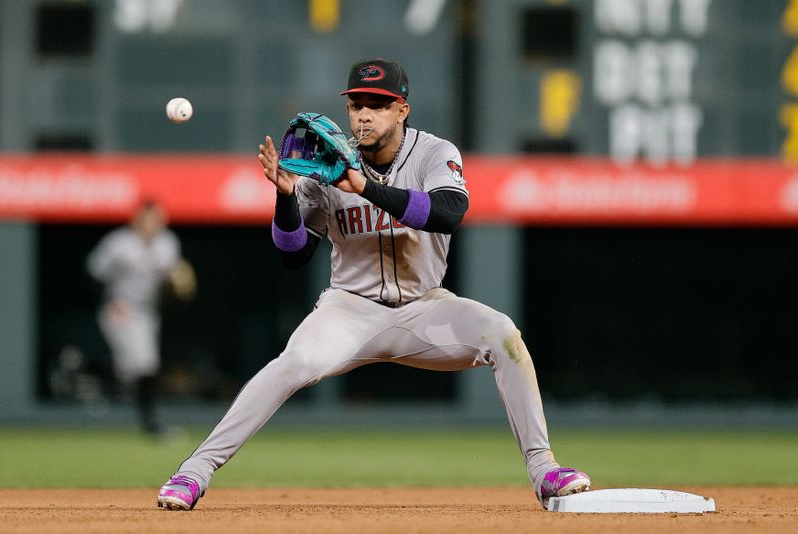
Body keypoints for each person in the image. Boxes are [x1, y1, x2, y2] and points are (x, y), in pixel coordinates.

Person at [157, 58, 590, 510]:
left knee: (504, 335)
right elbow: (293, 254)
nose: (365, 114)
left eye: (379, 105)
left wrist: (363, 188)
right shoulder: (327, 165)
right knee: (293, 362)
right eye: (357, 104)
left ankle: (544, 471)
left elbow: (447, 212)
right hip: (350, 310)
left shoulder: (434, 153)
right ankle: (193, 472)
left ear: (402, 110)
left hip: (425, 308)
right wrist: (285, 199)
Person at [87, 200, 195, 436]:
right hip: (120, 309)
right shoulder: (118, 243)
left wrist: (179, 284)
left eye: (156, 219)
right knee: (140, 365)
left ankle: (145, 420)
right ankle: (148, 421)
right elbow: (94, 275)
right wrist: (108, 301)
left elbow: (174, 279)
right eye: (148, 219)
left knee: (139, 367)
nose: (152, 224)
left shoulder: (167, 243)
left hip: (146, 312)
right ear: (136, 220)